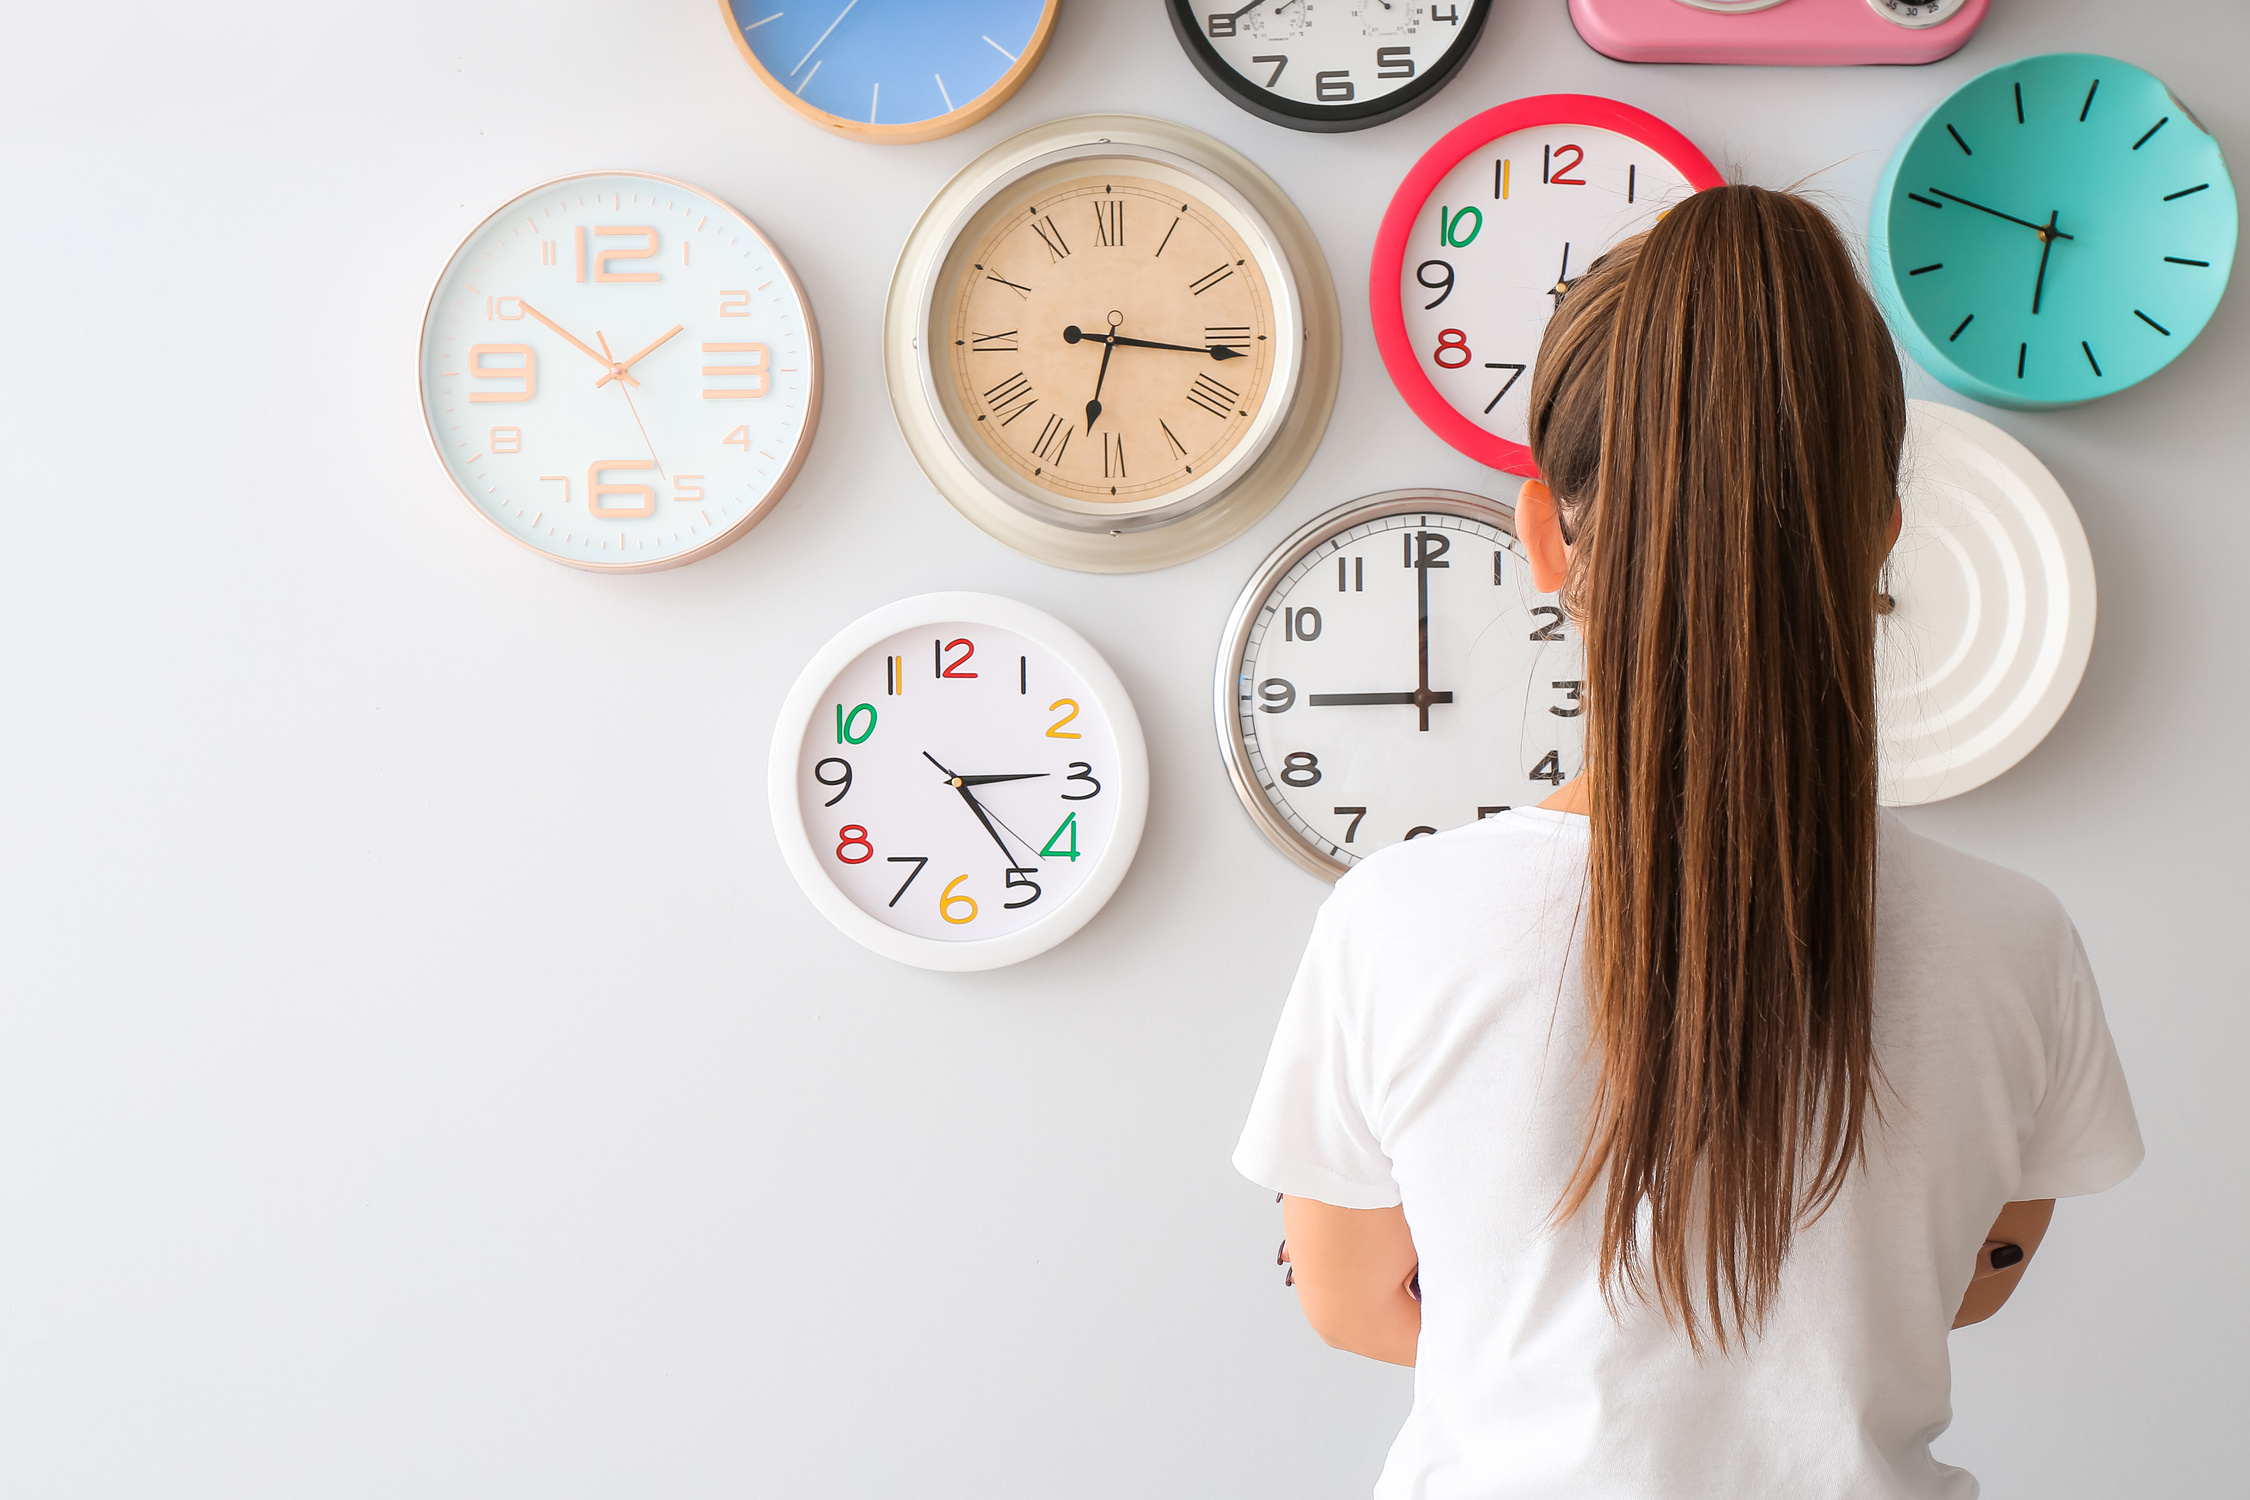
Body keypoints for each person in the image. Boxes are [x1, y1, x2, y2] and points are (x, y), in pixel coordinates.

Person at [1233, 186, 2141, 1499]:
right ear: (1877, 541)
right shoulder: (2014, 940)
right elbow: (1961, 1286)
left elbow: (1350, 1300)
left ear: (1545, 537)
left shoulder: (1395, 923)